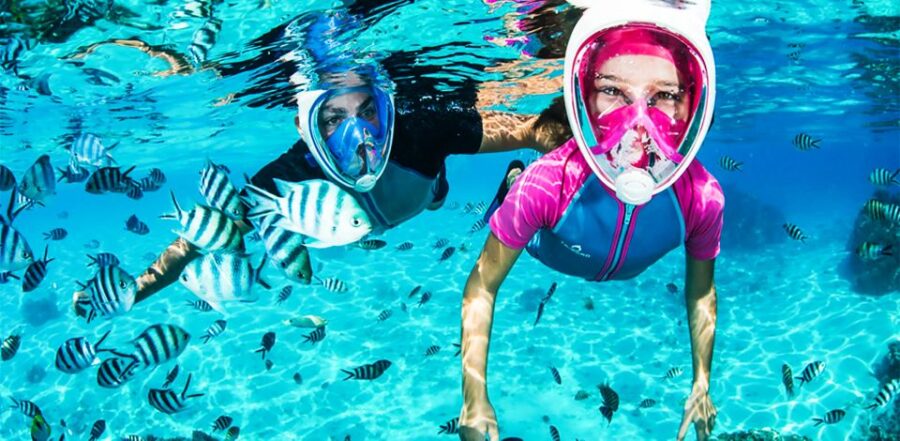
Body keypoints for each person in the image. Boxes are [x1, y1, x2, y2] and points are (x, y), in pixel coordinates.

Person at [71, 8, 573, 309]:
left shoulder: (421, 130)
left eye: (368, 111)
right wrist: (135, 288)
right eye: (333, 119)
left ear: (384, 106)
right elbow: (198, 240)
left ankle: (446, 185)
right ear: (304, 127)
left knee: (436, 190)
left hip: (423, 190)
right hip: (376, 207)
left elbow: (533, 129)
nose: (360, 136)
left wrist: (591, 153)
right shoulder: (285, 181)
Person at [458, 1, 722, 440]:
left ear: (692, 104)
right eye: (613, 91)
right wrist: (474, 397)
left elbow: (701, 294)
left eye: (665, 96)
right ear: (584, 95)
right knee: (522, 189)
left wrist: (701, 384)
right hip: (549, 248)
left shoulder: (701, 198)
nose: (638, 126)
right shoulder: (546, 185)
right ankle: (511, 179)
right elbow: (482, 287)